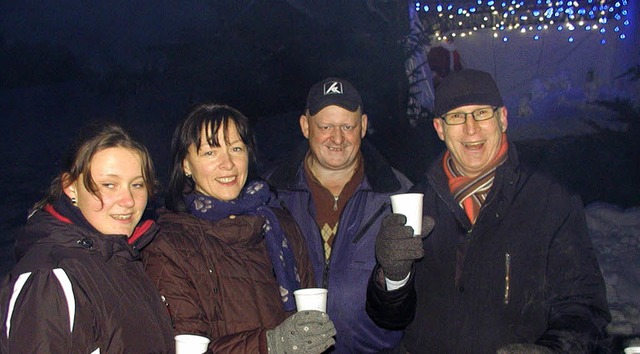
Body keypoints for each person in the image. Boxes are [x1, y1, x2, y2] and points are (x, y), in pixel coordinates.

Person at [366, 69, 611, 353]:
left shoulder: (550, 201)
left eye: (482, 113)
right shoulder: (417, 203)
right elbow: (389, 319)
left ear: (502, 119)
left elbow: (585, 308)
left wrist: (550, 350)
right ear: (439, 129)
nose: (471, 129)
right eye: (457, 117)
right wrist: (393, 276)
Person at [142, 103, 336, 353]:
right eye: (210, 152)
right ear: (186, 165)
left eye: (236, 148)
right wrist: (272, 345)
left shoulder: (280, 224)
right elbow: (187, 346)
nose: (228, 164)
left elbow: (310, 323)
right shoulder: (168, 245)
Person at [264, 77, 413, 352]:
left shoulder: (399, 195)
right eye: (325, 126)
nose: (337, 138)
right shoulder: (268, 196)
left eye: (347, 126)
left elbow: (417, 300)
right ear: (305, 126)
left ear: (364, 126)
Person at [0, 123, 174, 353]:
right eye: (109, 185)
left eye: (137, 185)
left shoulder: (123, 259)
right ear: (71, 187)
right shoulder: (51, 277)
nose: (129, 200)